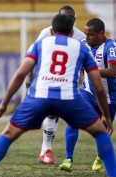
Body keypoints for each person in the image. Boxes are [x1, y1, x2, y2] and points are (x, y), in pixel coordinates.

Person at [0, 14, 116, 177]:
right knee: (101, 133)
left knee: (8, 133)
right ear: (72, 31)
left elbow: (20, 73)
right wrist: (106, 116)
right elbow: (98, 86)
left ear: (52, 31)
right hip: (68, 98)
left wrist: (4, 104)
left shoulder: (40, 44)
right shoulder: (80, 47)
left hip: (39, 97)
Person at [30, 5, 86, 164]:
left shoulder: (80, 37)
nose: (66, 20)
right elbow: (33, 55)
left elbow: (84, 62)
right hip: (48, 79)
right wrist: (30, 79)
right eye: (63, 16)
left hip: (69, 82)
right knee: (51, 112)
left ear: (74, 19)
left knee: (72, 118)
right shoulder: (47, 32)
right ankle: (45, 150)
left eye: (70, 17)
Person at [59, 18, 116, 172]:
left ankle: (100, 157)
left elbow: (112, 71)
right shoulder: (83, 45)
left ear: (101, 33)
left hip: (109, 97)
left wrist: (93, 72)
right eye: (85, 33)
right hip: (88, 92)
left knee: (104, 131)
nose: (87, 37)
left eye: (90, 34)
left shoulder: (110, 47)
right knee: (73, 117)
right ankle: (68, 159)